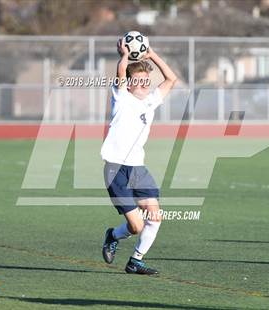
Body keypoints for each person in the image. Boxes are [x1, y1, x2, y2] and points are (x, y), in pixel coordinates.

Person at [100, 38, 177, 275]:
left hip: (138, 169)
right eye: (139, 81)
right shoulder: (121, 98)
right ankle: (112, 235)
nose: (144, 84)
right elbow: (121, 71)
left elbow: (171, 79)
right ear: (130, 84)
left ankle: (135, 261)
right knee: (135, 226)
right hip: (116, 169)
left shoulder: (151, 101)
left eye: (147, 81)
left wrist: (151, 54)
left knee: (155, 218)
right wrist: (125, 55)